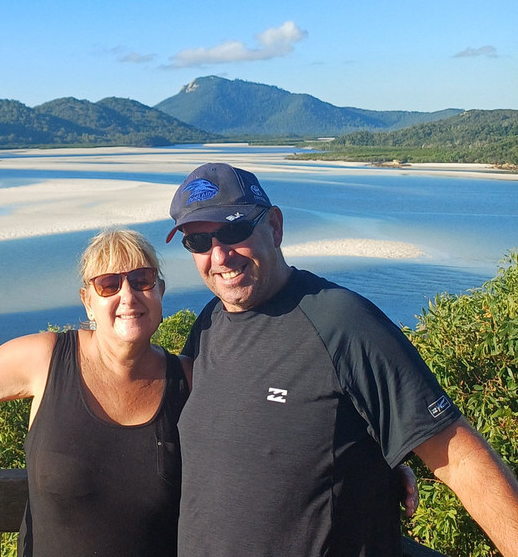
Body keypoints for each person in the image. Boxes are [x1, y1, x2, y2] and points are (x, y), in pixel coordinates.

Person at [165, 162, 518, 557]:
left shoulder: (342, 322)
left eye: (234, 231)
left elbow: (460, 457)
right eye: (198, 243)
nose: (220, 255)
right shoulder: (209, 324)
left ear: (275, 227)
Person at [0, 228, 190, 557]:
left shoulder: (186, 379)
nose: (127, 296)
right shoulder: (48, 359)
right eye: (108, 284)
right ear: (88, 302)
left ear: (160, 292)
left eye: (141, 279)